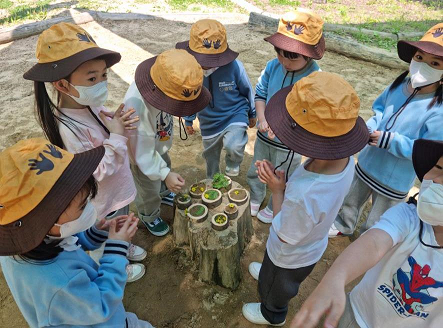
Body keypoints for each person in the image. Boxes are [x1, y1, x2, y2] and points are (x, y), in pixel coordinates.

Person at [242, 72, 370, 326]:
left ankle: (273, 314)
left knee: (277, 289)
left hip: (290, 254)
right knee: (273, 272)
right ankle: (268, 274)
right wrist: (284, 186)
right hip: (312, 245)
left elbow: (283, 233)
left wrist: (277, 190)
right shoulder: (344, 162)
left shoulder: (305, 196)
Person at [23, 22, 147, 281]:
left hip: (117, 192)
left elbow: (107, 134)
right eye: (92, 78)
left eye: (104, 75)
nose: (101, 83)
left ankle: (121, 245)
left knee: (120, 221)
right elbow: (96, 172)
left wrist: (118, 124)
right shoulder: (67, 128)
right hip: (104, 198)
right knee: (103, 234)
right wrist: (116, 135)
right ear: (62, 85)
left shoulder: (86, 104)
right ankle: (113, 260)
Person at [0, 138, 153, 327]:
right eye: (82, 206)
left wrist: (96, 233)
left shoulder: (25, 243)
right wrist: (116, 249)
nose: (89, 207)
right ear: (46, 222)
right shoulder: (58, 281)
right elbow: (101, 304)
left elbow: (68, 244)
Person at [292, 139, 443, 328]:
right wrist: (337, 276)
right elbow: (374, 243)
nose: (434, 178)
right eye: (438, 167)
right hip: (356, 314)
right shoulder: (408, 216)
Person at [329, 23, 443, 237]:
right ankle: (343, 224)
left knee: (380, 219)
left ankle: (369, 242)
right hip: (368, 161)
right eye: (419, 57)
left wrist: (390, 141)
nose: (423, 65)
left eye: (434, 63)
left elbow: (427, 151)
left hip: (396, 179)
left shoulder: (438, 110)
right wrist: (371, 126)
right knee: (352, 198)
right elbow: (380, 109)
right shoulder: (399, 84)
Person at [246, 9, 325, 223]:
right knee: (259, 165)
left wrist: (284, 126)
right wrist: (262, 119)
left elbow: (310, 115)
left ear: (310, 53)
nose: (284, 60)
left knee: (282, 174)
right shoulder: (273, 66)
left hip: (289, 143)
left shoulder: (313, 78)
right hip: (264, 134)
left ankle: (274, 205)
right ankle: (255, 195)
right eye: (279, 52)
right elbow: (260, 94)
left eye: (292, 55)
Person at [123, 49, 211, 236]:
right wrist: (164, 173)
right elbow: (143, 153)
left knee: (164, 163)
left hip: (157, 142)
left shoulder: (167, 82)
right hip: (140, 157)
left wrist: (165, 172)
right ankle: (150, 215)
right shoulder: (136, 108)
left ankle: (164, 192)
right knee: (148, 189)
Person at [176, 19, 256, 178]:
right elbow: (190, 96)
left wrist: (252, 113)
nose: (206, 65)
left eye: (211, 60)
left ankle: (233, 162)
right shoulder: (191, 70)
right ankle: (212, 177)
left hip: (235, 113)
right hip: (208, 119)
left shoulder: (235, 67)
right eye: (202, 59)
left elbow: (248, 89)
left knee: (234, 146)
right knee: (210, 154)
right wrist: (189, 119)